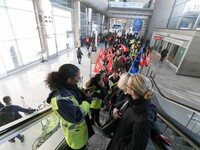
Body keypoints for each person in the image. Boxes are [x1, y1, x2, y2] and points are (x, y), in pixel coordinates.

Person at [45, 64, 94, 150]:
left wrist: (85, 92)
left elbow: (77, 93)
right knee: (78, 147)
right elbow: (77, 116)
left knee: (83, 144)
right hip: (75, 134)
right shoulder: (61, 100)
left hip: (83, 127)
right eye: (78, 77)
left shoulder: (71, 86)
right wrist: (87, 100)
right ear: (69, 79)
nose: (80, 78)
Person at [106, 73, 159, 150]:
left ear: (133, 92)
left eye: (127, 84)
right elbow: (116, 105)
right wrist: (115, 109)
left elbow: (135, 147)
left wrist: (117, 145)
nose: (125, 85)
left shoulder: (142, 119)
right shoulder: (133, 100)